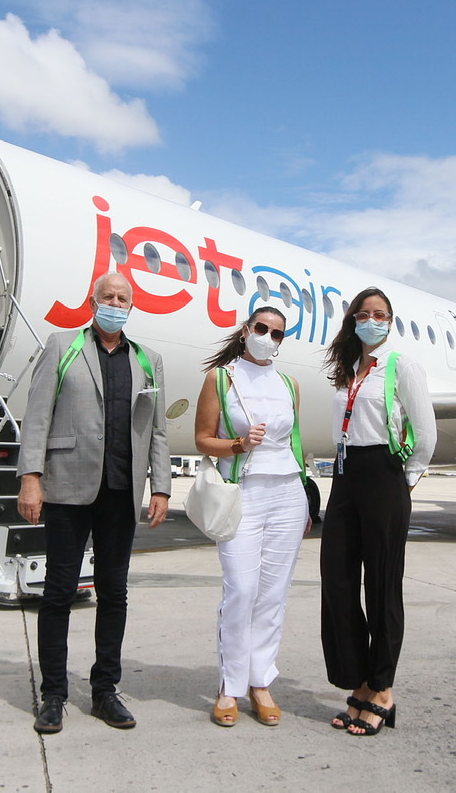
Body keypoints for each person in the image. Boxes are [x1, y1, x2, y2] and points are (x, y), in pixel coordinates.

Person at [17, 272, 171, 735]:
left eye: (123, 298)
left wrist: (160, 487)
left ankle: (105, 690)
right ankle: (54, 694)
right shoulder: (63, 346)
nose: (116, 303)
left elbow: (157, 430)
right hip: (67, 487)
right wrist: (30, 478)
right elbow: (37, 414)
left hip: (121, 492)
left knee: (114, 592)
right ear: (93, 302)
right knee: (60, 592)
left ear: (132, 306)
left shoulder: (148, 359)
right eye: (108, 296)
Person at [319, 286, 436, 737]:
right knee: (338, 579)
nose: (372, 320)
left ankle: (382, 690)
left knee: (383, 585)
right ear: (353, 320)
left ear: (390, 321)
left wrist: (404, 480)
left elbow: (425, 433)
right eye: (364, 314)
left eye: (380, 314)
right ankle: (359, 678)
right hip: (346, 474)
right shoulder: (348, 368)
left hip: (384, 475)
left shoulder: (401, 366)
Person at [193, 307, 309, 728]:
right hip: (243, 493)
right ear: (245, 331)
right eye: (261, 329)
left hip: (288, 495)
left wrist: (306, 502)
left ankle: (261, 681)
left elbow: (294, 445)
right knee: (241, 589)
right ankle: (230, 685)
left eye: (277, 333)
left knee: (273, 592)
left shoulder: (289, 383)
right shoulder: (221, 378)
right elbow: (202, 439)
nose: (268, 337)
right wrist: (239, 445)